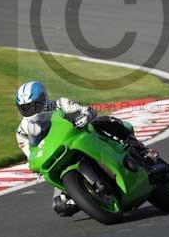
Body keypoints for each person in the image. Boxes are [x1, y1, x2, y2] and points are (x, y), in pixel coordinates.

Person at [15, 81, 159, 217]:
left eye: (35, 105)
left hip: (80, 137)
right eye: (25, 108)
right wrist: (34, 165)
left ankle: (139, 149)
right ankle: (90, 197)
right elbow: (29, 152)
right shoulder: (22, 130)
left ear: (44, 98)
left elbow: (87, 110)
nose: (31, 110)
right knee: (60, 206)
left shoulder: (60, 104)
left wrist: (84, 116)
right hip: (57, 155)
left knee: (103, 122)